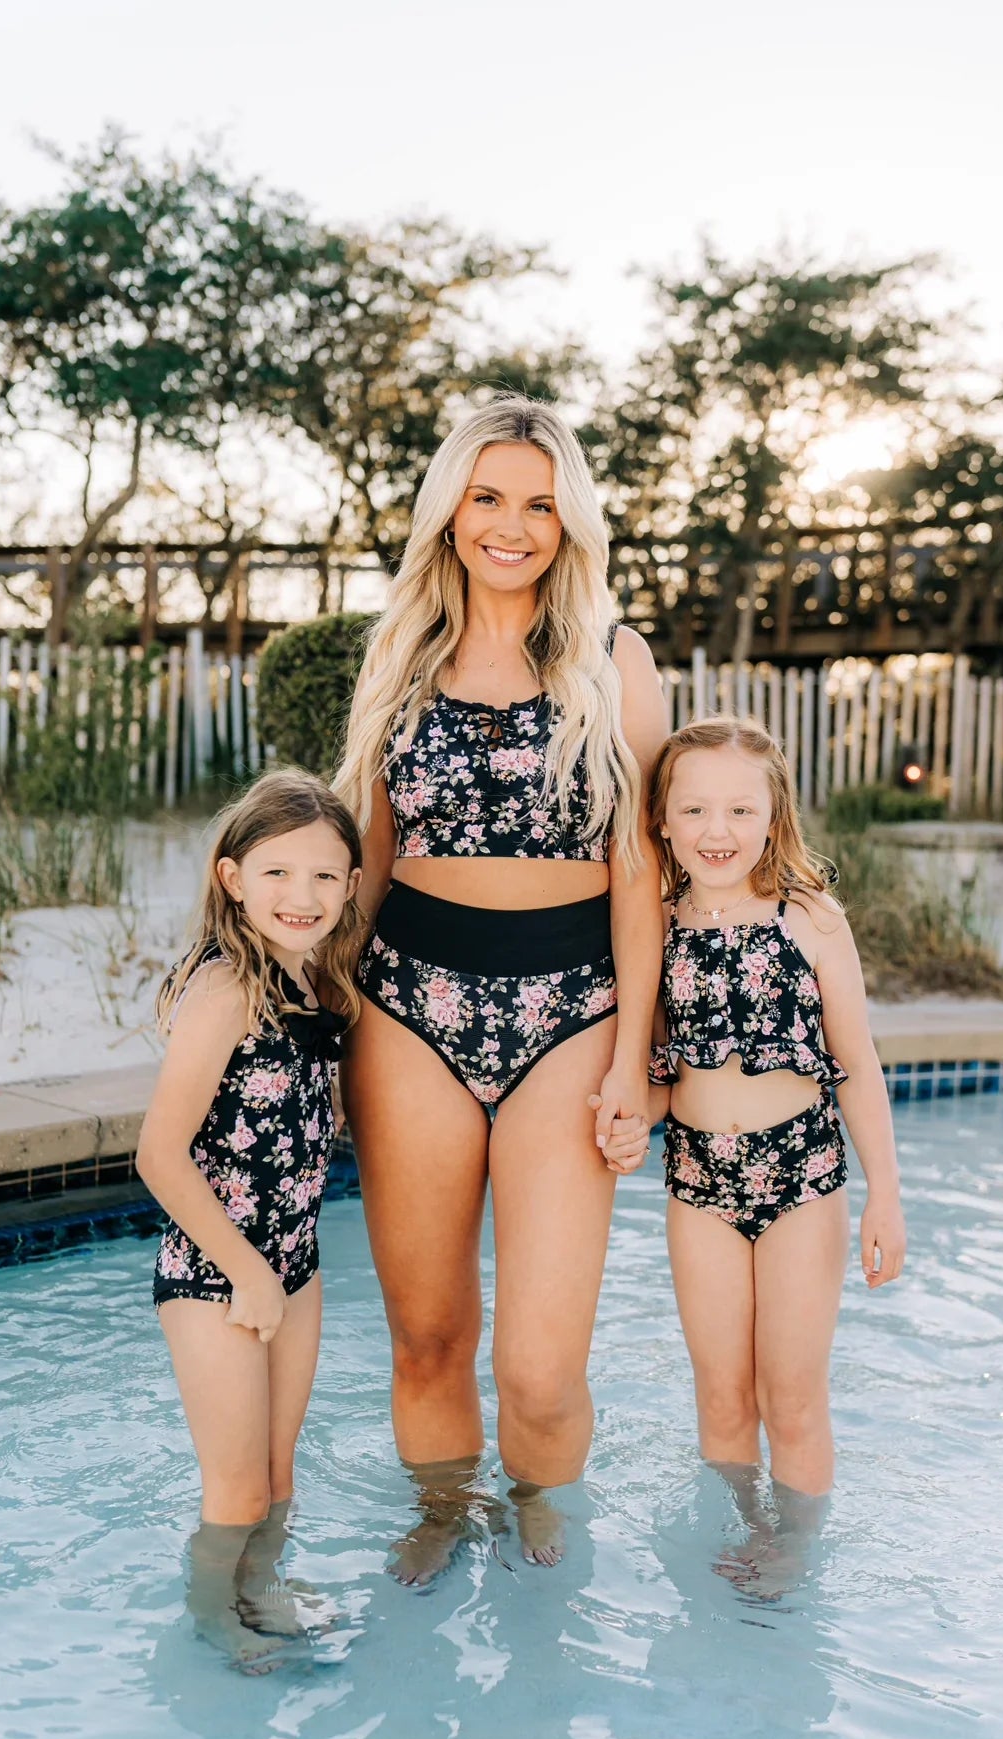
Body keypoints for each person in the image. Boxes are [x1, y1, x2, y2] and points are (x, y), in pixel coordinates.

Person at [335, 396, 665, 1578]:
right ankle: (439, 1509)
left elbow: (642, 872)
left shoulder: (615, 658)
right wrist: (324, 1034)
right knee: (427, 1334)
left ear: (569, 519)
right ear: (451, 512)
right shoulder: (402, 652)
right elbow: (368, 863)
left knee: (537, 1362)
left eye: (538, 501)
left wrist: (637, 1058)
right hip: (406, 1008)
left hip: (571, 1015)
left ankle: (545, 1519)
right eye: (488, 497)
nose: (511, 525)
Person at [627, 716, 906, 1592]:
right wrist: (630, 1111)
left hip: (803, 1179)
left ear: (773, 814)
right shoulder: (656, 928)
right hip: (698, 1181)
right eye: (696, 809)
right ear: (663, 821)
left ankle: (794, 1548)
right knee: (722, 1394)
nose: (718, 830)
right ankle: (740, 1530)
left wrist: (884, 1195)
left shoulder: (810, 919)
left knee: (789, 1392)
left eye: (740, 809)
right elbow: (667, 1070)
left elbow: (854, 1064)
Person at [137, 769, 364, 1668]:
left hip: (292, 1261)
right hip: (216, 1268)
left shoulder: (311, 986)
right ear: (232, 876)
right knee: (234, 1483)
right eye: (276, 873)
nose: (301, 896)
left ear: (351, 885)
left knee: (277, 1472)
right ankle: (210, 1615)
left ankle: (259, 1586)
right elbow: (159, 1153)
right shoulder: (229, 987)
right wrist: (248, 1271)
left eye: (323, 876)